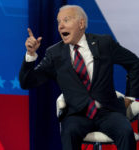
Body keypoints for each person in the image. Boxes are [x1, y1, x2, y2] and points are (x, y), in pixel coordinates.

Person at [19, 5, 139, 150]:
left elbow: (134, 63)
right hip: (77, 114)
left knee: (126, 132)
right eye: (58, 22)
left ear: (81, 23)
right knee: (68, 132)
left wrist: (131, 97)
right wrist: (31, 55)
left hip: (109, 111)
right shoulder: (54, 54)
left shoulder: (104, 43)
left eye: (66, 20)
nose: (60, 25)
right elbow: (27, 82)